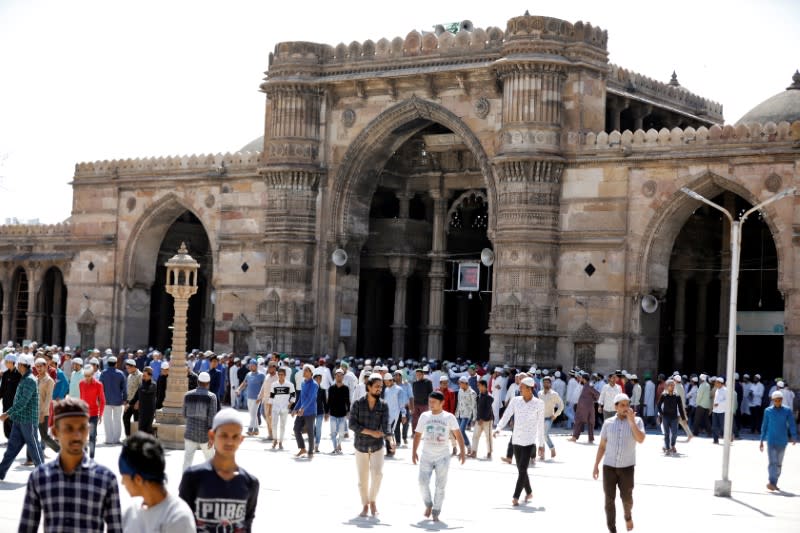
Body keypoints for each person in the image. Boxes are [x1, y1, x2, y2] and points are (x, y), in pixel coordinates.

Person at [18, 397, 122, 532]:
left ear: (89, 430)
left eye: (82, 428)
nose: (77, 435)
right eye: (69, 428)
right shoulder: (39, 477)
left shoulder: (106, 479)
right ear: (55, 432)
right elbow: (27, 528)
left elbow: (116, 529)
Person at [179, 408, 259, 532]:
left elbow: (247, 525)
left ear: (241, 439)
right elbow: (182, 521)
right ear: (212, 435)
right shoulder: (193, 477)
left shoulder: (250, 482)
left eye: (235, 436)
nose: (229, 441)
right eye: (224, 435)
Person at [120, 431, 195, 532]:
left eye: (124, 477)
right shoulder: (130, 513)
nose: (122, 483)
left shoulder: (177, 518)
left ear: (138, 479)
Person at [592, 393, 645, 533]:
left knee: (627, 499)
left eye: (627, 405)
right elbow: (602, 446)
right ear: (615, 407)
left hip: (627, 467)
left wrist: (631, 421)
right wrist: (596, 465)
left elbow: (640, 439)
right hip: (608, 467)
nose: (626, 408)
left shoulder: (637, 421)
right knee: (609, 500)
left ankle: (628, 516)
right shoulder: (608, 423)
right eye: (622, 405)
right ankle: (612, 529)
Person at [413, 390, 466, 522]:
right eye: (430, 401)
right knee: (422, 482)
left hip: (443, 457)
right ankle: (428, 504)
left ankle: (436, 510)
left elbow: (458, 435)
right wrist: (413, 451)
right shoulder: (424, 416)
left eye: (434, 402)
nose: (431, 404)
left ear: (442, 403)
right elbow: (418, 434)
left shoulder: (449, 417)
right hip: (426, 456)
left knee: (440, 485)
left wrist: (463, 452)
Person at [494, 377, 545, 506]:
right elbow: (507, 415)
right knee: (521, 469)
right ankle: (529, 492)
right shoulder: (516, 401)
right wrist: (499, 428)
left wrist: (541, 444)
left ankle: (516, 497)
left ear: (529, 389)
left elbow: (540, 425)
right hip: (516, 439)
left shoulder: (539, 403)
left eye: (521, 387)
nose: (519, 389)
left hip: (529, 441)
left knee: (522, 468)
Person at [349, 373, 393, 518]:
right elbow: (352, 425)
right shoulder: (357, 404)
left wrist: (391, 439)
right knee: (363, 480)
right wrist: (371, 432)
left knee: (378, 475)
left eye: (381, 387)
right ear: (368, 387)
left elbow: (386, 426)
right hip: (360, 446)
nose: (379, 389)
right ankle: (365, 505)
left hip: (377, 447)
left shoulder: (384, 405)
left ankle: (373, 501)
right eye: (376, 387)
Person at [0, 355, 45, 478]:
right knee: (11, 449)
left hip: (28, 421)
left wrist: (7, 413)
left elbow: (23, 401)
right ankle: (1, 472)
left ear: (22, 365)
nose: (17, 366)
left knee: (34, 448)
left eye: (18, 364)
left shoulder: (30, 380)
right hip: (19, 420)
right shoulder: (24, 378)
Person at [760, 390, 797, 491]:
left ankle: (774, 482)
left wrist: (794, 436)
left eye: (779, 400)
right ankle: (772, 482)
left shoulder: (787, 411)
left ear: (782, 400)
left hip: (782, 441)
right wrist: (761, 440)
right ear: (773, 400)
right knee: (773, 462)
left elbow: (792, 423)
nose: (777, 402)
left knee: (779, 464)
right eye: (775, 400)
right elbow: (764, 425)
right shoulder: (768, 411)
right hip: (771, 440)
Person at [182, 371, 218, 471]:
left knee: (187, 460)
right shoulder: (211, 397)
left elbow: (184, 414)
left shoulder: (187, 395)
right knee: (210, 461)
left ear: (198, 382)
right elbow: (212, 417)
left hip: (190, 432)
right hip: (205, 434)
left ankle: (185, 482)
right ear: (208, 383)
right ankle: (213, 483)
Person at [79, 364, 105, 459]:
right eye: (85, 376)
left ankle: (91, 457)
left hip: (94, 414)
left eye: (89, 376)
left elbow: (102, 401)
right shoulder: (81, 383)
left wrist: (100, 414)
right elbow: (81, 398)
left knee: (92, 436)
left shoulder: (98, 385)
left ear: (93, 374)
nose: (87, 378)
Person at [293, 364, 319, 459]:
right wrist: (295, 408)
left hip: (310, 412)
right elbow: (301, 398)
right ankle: (302, 448)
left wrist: (302, 408)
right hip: (301, 411)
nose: (304, 372)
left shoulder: (314, 384)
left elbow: (310, 398)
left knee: (310, 431)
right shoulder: (303, 383)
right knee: (296, 429)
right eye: (303, 370)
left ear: (311, 373)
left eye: (306, 371)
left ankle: (311, 451)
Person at [99, 355, 126, 444]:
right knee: (117, 420)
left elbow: (100, 387)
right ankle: (116, 439)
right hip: (118, 400)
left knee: (107, 420)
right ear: (115, 364)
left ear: (108, 363)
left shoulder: (103, 373)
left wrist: (99, 399)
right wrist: (125, 399)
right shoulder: (120, 373)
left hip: (106, 400)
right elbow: (124, 388)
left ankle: (109, 439)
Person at [657, 379, 687, 455]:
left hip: (674, 418)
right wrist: (661, 414)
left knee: (675, 433)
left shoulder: (677, 396)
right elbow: (658, 405)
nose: (672, 387)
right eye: (670, 385)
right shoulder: (664, 395)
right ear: (667, 386)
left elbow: (680, 408)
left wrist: (683, 418)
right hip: (666, 417)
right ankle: (667, 448)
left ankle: (673, 445)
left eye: (673, 385)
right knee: (666, 434)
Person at [268, 366, 295, 450]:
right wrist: (269, 409)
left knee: (282, 426)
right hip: (275, 408)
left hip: (284, 408)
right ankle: (275, 440)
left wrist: (289, 404)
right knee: (274, 425)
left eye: (282, 374)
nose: (280, 376)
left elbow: (293, 396)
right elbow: (271, 397)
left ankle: (281, 442)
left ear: (285, 375)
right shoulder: (274, 385)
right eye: (279, 374)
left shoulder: (290, 385)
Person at [538, 375, 564, 460]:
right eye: (544, 382)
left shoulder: (554, 394)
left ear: (550, 384)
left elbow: (561, 405)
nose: (546, 384)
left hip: (549, 418)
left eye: (547, 382)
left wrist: (555, 415)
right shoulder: (539, 393)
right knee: (541, 435)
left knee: (545, 434)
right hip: (540, 417)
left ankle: (552, 448)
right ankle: (542, 453)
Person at [570, 371, 600, 443]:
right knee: (590, 422)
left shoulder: (587, 385)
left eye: (581, 378)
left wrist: (594, 398)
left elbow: (597, 393)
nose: (580, 380)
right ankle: (591, 438)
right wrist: (594, 399)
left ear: (583, 379)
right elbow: (595, 394)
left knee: (579, 421)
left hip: (583, 407)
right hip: (589, 406)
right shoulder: (588, 385)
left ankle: (574, 437)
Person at [238, 360, 265, 436]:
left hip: (257, 398)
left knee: (253, 413)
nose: (250, 366)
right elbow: (244, 383)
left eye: (252, 365)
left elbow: (264, 387)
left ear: (256, 366)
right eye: (250, 365)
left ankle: (250, 429)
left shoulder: (261, 375)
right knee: (252, 414)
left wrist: (261, 397)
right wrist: (238, 389)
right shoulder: (248, 374)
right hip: (249, 397)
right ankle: (256, 430)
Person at [328, 368, 350, 454]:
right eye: (337, 375)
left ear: (343, 377)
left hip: (342, 413)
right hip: (333, 413)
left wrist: (348, 411)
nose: (339, 377)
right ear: (335, 376)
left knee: (341, 433)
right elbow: (329, 401)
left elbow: (347, 401)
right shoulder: (331, 388)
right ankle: (335, 447)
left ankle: (339, 445)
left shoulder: (346, 388)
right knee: (333, 433)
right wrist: (327, 412)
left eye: (341, 376)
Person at [470, 379, 493, 458]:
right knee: (475, 436)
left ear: (483, 386)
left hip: (487, 420)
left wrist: (482, 419)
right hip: (478, 419)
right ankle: (474, 451)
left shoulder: (489, 397)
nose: (478, 387)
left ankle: (489, 452)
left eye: (479, 385)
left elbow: (488, 409)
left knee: (488, 437)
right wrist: (475, 418)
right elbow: (476, 408)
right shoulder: (479, 396)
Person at [0, 353, 21, 439]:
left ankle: (15, 438)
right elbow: (2, 389)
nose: (5, 363)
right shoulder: (5, 374)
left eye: (7, 362)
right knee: (6, 420)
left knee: (13, 420)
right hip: (6, 401)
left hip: (15, 402)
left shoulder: (19, 374)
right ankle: (9, 437)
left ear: (12, 362)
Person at [131, 366, 158, 434]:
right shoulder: (141, 384)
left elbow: (146, 391)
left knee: (148, 429)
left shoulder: (153, 385)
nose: (143, 377)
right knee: (141, 428)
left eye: (145, 376)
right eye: (143, 375)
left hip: (149, 411)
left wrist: (138, 401)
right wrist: (129, 404)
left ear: (150, 376)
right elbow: (136, 395)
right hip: (142, 410)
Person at [454, 376, 477, 456]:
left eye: (460, 383)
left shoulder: (472, 392)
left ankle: (469, 447)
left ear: (465, 383)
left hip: (467, 414)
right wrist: (456, 413)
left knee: (461, 430)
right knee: (459, 432)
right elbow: (458, 402)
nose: (459, 385)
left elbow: (474, 406)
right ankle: (462, 450)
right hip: (459, 414)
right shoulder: (460, 391)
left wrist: (474, 417)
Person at [124, 359, 143, 437]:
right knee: (125, 418)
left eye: (128, 368)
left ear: (133, 367)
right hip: (129, 402)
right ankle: (128, 436)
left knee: (136, 421)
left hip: (136, 403)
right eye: (126, 368)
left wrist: (138, 402)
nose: (127, 370)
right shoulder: (129, 375)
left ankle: (136, 438)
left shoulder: (140, 375)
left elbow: (141, 390)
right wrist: (126, 401)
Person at [711, 377, 727, 444]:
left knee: (723, 426)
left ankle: (727, 439)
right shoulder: (717, 390)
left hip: (722, 411)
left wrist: (719, 404)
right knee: (714, 426)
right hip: (715, 410)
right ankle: (715, 440)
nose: (715, 384)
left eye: (716, 382)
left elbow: (727, 400)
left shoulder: (725, 390)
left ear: (720, 383)